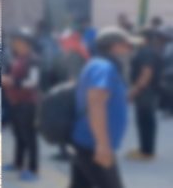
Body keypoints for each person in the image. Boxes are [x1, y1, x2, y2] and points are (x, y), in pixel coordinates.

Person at [69, 27, 139, 188]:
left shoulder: (101, 65)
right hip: (93, 146)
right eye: (126, 45)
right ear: (114, 46)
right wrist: (102, 145)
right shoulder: (103, 67)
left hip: (87, 143)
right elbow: (96, 103)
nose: (129, 50)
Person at [2, 32, 40, 181]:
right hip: (16, 103)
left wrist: (13, 83)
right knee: (18, 134)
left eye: (18, 43)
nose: (15, 45)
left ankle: (33, 169)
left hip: (27, 104)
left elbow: (33, 81)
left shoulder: (33, 60)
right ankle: (17, 163)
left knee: (29, 137)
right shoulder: (19, 59)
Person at [126, 29, 162, 161]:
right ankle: (145, 148)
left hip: (146, 91)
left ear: (144, 39)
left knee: (145, 121)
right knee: (145, 121)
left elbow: (146, 73)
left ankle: (147, 151)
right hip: (148, 91)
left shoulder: (146, 52)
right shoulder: (149, 51)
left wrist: (133, 91)